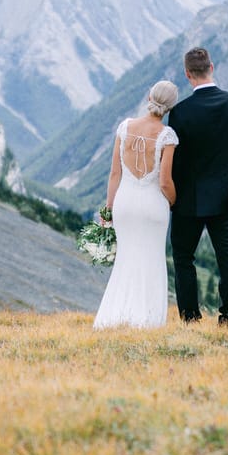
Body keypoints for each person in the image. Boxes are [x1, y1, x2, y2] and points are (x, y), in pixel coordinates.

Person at [168, 47, 228, 325]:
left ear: (187, 75)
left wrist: (174, 196)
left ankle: (190, 319)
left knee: (183, 258)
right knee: (227, 258)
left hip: (188, 200)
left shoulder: (180, 112)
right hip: (224, 196)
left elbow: (176, 161)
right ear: (212, 67)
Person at [93, 80, 179, 329]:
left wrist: (108, 210)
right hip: (153, 207)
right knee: (151, 259)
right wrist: (173, 201)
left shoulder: (125, 127)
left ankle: (116, 317)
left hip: (125, 203)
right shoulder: (167, 136)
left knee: (126, 259)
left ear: (149, 96)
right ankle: (147, 320)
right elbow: (164, 181)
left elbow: (114, 174)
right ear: (171, 106)